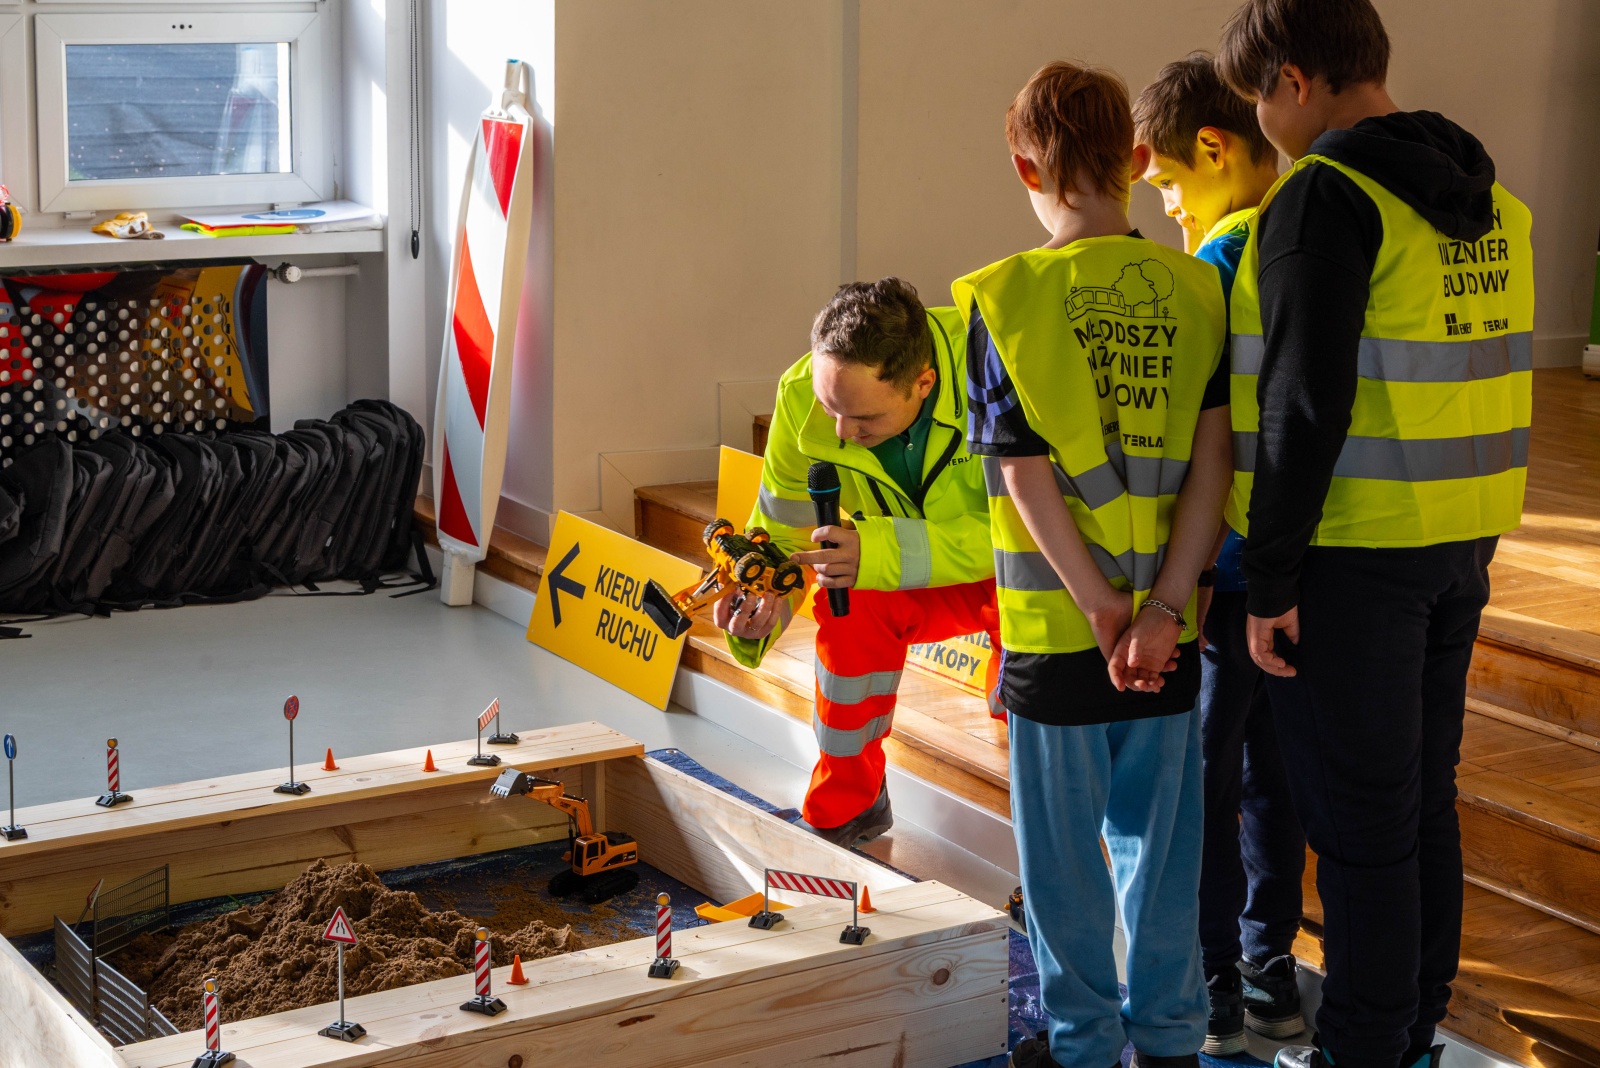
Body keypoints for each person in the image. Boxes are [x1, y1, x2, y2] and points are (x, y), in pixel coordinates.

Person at [1214, 3, 1535, 1068]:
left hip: (1354, 557)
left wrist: (1268, 575)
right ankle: (1408, 1035)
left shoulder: (1324, 198)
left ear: (1295, 80)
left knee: (1358, 833)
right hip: (1461, 542)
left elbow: (1303, 404)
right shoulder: (1495, 203)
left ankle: (1360, 1050)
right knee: (1416, 808)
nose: (1265, 126)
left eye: (1259, 100)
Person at [959, 60, 1234, 1068]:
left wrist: (1100, 614)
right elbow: (1215, 468)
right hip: (1170, 639)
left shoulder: (1008, 299)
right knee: (1161, 859)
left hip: (1056, 633)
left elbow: (1026, 481)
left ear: (1024, 164)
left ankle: (1079, 1050)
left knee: (1064, 871)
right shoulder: (1199, 288)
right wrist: (1160, 611)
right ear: (1138, 158)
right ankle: (1169, 1044)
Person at [1133, 53, 1307, 1055]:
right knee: (1274, 780)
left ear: (1211, 149)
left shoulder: (1211, 267)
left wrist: (1182, 575)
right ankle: (1266, 965)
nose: (1164, 207)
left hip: (1226, 568)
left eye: (1164, 184)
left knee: (1204, 777)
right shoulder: (1307, 234)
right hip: (1303, 564)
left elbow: (1196, 441)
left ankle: (1208, 984)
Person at [716, 277, 1001, 846]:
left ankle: (1038, 785)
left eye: (862, 420)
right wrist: (766, 600)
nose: (840, 432)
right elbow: (781, 530)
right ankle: (851, 802)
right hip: (909, 570)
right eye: (831, 409)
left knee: (1028, 676)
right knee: (848, 604)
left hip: (1022, 571)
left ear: (924, 383)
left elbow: (1033, 533)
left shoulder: (999, 370)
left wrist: (879, 551)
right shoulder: (805, 393)